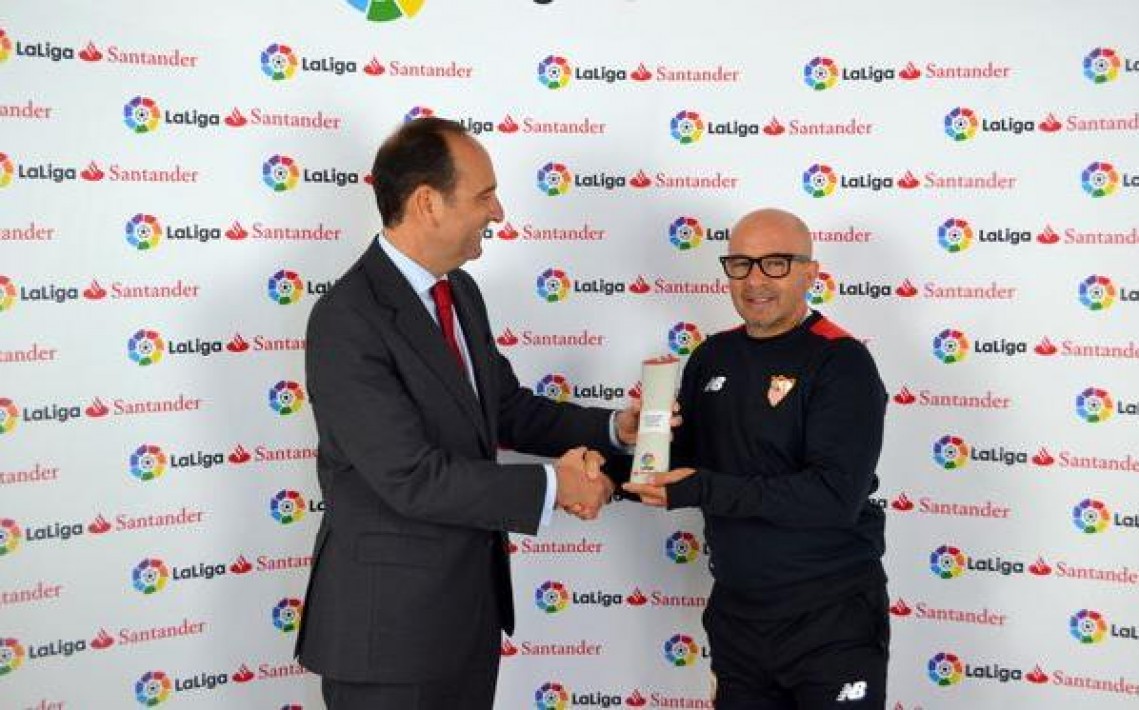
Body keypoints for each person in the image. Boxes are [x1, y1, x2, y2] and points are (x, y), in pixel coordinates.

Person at [296, 117, 636, 709]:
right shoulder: (347, 319)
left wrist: (612, 428)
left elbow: (504, 408)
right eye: (485, 196)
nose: (498, 212)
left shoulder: (460, 292)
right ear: (428, 203)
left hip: (466, 622)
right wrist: (556, 485)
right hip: (388, 638)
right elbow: (411, 476)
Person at [624, 208, 889, 709]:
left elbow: (834, 497)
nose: (755, 280)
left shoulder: (841, 360)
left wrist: (700, 488)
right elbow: (681, 466)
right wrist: (632, 450)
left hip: (830, 616)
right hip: (738, 618)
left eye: (776, 264)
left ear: (810, 273)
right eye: (741, 264)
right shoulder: (712, 356)